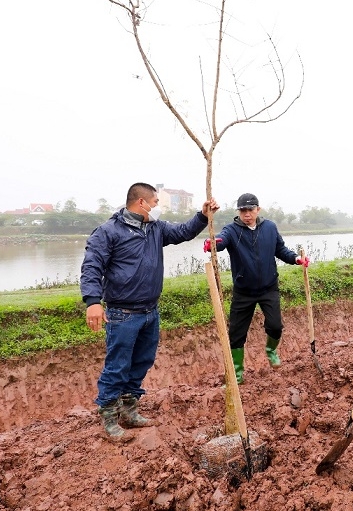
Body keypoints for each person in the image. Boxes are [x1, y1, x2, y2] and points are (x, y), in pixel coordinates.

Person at [82, 182, 218, 441]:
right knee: (117, 365)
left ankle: (129, 410)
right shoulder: (109, 232)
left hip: (149, 311)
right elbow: (91, 266)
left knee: (142, 362)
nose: (158, 207)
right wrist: (93, 301)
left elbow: (183, 232)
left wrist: (202, 216)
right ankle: (110, 417)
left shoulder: (156, 228)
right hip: (123, 313)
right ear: (141, 203)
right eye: (156, 202)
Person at [204, 193, 309, 384]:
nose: (247, 214)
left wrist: (295, 259)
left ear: (258, 210)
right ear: (238, 212)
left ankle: (271, 350)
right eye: (243, 210)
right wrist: (213, 243)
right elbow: (220, 241)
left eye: (250, 210)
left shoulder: (269, 227)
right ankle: (237, 374)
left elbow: (281, 250)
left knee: (276, 326)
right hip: (243, 291)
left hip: (268, 288)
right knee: (236, 334)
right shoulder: (232, 230)